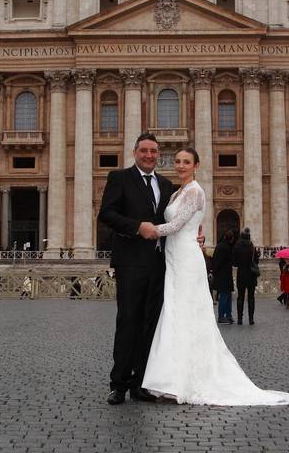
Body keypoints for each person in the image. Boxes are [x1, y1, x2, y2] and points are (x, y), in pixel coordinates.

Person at [141, 148, 289, 405]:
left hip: (186, 258)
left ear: (196, 165)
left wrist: (146, 230)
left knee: (186, 314)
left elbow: (177, 226)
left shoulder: (196, 191)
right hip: (175, 256)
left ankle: (179, 380)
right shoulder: (177, 192)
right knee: (176, 314)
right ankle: (173, 379)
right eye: (177, 161)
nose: (180, 166)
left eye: (186, 162)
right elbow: (186, 225)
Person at [97, 133, 178, 405]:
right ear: (135, 152)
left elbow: (171, 223)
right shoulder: (119, 178)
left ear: (158, 154)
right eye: (144, 151)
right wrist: (136, 227)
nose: (149, 155)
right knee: (128, 322)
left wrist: (194, 237)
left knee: (149, 325)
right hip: (130, 262)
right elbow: (106, 214)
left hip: (158, 263)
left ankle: (141, 383)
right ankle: (118, 384)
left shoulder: (166, 185)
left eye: (153, 151)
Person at [233, 228, 259, 325]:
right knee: (251, 297)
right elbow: (256, 261)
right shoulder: (252, 247)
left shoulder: (237, 247)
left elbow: (234, 263)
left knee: (240, 297)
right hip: (251, 275)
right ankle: (251, 319)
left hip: (241, 275)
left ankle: (240, 319)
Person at [212, 230, 235, 324]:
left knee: (227, 295)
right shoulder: (225, 247)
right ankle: (222, 316)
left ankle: (228, 315)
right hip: (224, 275)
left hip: (223, 275)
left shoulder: (220, 246)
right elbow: (220, 262)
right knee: (224, 296)